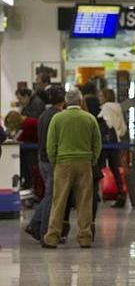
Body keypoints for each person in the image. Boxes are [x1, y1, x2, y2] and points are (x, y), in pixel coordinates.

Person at [43, 88, 102, 248]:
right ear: (80, 101)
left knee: (59, 200)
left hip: (63, 163)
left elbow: (50, 144)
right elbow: (97, 143)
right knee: (85, 201)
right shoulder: (89, 119)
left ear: (66, 101)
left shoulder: (57, 118)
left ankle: (52, 236)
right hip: (84, 163)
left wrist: (55, 160)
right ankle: (85, 237)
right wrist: (93, 159)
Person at [25, 87, 66, 242]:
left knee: (50, 195)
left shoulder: (43, 115)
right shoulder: (59, 116)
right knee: (52, 196)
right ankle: (43, 231)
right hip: (52, 161)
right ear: (63, 100)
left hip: (42, 159)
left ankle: (35, 225)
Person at [98, 88, 127, 208]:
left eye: (101, 95)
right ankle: (121, 194)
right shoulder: (118, 108)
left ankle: (97, 193)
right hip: (116, 142)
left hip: (105, 142)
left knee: (99, 167)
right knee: (115, 169)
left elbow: (107, 124)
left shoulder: (105, 108)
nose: (99, 97)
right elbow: (123, 128)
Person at [4, 110, 38, 191]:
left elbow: (26, 138)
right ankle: (28, 184)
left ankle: (31, 185)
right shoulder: (25, 123)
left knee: (30, 169)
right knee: (25, 168)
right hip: (27, 150)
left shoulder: (30, 123)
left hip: (32, 150)